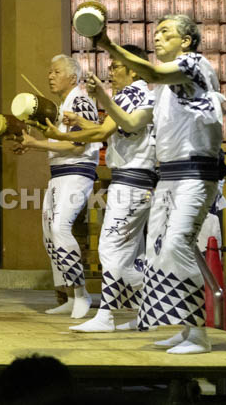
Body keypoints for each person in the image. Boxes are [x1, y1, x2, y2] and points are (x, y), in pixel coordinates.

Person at [92, 15, 225, 355]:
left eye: (166, 32)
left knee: (178, 244)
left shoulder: (195, 65)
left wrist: (108, 45)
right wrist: (104, 99)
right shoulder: (163, 89)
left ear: (187, 41)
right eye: (156, 33)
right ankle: (184, 329)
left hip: (196, 171)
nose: (158, 37)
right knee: (158, 251)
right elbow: (131, 121)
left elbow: (150, 71)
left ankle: (199, 335)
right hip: (168, 175)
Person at [40, 46, 156, 332]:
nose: (111, 72)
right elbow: (105, 128)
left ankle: (114, 311)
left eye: (116, 67)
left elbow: (102, 133)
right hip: (136, 180)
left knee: (109, 249)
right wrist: (74, 126)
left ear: (132, 68)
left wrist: (57, 135)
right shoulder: (138, 94)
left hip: (130, 180)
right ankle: (149, 310)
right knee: (124, 254)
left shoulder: (131, 93)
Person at [14, 55, 101, 319]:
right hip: (59, 174)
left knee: (60, 228)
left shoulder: (82, 102)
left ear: (73, 77)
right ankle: (69, 296)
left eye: (56, 72)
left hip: (77, 171)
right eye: (49, 72)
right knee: (49, 236)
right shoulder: (63, 105)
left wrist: (37, 144)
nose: (50, 76)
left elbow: (78, 145)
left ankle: (82, 293)